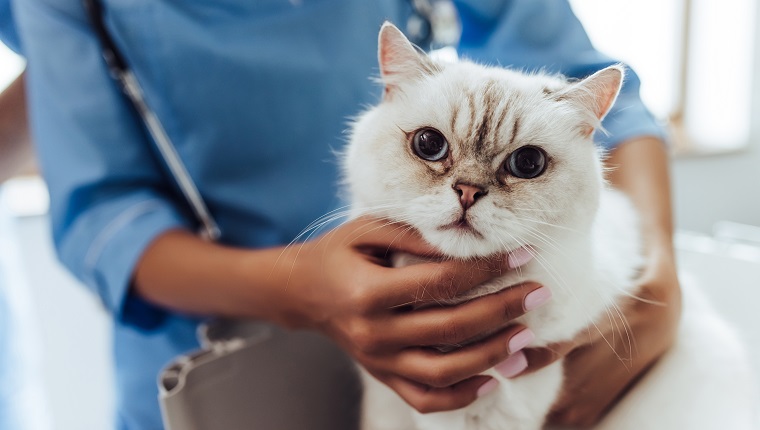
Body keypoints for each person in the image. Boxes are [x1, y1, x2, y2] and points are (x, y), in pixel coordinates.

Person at [6, 0, 680, 428]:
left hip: (474, 303)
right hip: (218, 346)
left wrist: (656, 275)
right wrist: (301, 287)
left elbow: (586, 88)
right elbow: (103, 213)